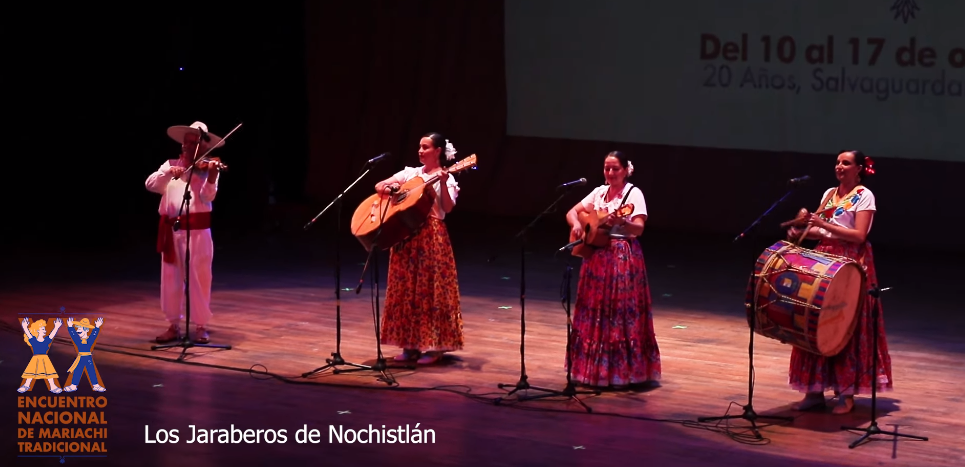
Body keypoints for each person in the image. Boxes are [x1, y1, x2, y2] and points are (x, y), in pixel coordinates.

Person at [786, 150, 891, 414]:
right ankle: (814, 390)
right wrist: (804, 231)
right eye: (837, 162)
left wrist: (823, 224)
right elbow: (824, 230)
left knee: (845, 325)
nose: (840, 166)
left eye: (846, 163)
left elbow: (858, 235)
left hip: (850, 265)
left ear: (858, 169)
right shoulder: (829, 194)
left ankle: (846, 394)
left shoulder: (864, 195)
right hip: (825, 261)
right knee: (817, 323)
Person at [564, 151, 661, 388]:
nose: (610, 173)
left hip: (621, 257)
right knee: (595, 311)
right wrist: (577, 224)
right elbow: (571, 212)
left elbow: (638, 229)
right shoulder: (599, 192)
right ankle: (593, 369)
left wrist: (622, 222)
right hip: (596, 259)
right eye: (607, 168)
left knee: (618, 313)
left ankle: (622, 372)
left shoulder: (633, 194)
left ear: (626, 169)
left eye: (615, 168)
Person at [374, 132, 464, 365]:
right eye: (419, 147)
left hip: (431, 237)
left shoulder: (449, 178)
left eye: (425, 147)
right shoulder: (410, 173)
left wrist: (443, 183)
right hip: (404, 234)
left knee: (430, 290)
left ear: (438, 151)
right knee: (405, 290)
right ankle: (409, 345)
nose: (420, 151)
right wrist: (393, 188)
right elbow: (379, 185)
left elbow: (447, 208)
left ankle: (434, 347)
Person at [145, 121, 226, 344]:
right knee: (171, 278)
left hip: (198, 232)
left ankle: (201, 326)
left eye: (196, 143)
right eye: (188, 143)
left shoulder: (207, 169)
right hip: (172, 231)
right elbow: (151, 184)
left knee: (200, 278)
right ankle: (173, 325)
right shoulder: (170, 165)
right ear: (183, 144)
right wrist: (169, 173)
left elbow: (208, 197)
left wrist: (210, 176)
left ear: (203, 147)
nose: (191, 147)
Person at [19, 318, 63, 393]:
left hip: (45, 358)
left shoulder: (46, 340)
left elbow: (52, 335)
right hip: (35, 358)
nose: (45, 331)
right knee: (30, 373)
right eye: (43, 329)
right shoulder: (33, 340)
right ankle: (26, 385)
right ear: (38, 330)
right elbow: (28, 334)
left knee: (49, 373)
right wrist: (25, 327)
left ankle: (53, 386)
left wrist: (56, 327)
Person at [64, 317, 106, 392]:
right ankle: (73, 386)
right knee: (77, 371)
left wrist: (97, 327)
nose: (78, 330)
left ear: (86, 330)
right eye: (77, 329)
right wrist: (70, 327)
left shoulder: (89, 340)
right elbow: (74, 336)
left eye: (80, 329)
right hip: (81, 357)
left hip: (87, 357)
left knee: (91, 371)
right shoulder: (78, 340)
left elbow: (94, 335)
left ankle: (96, 385)